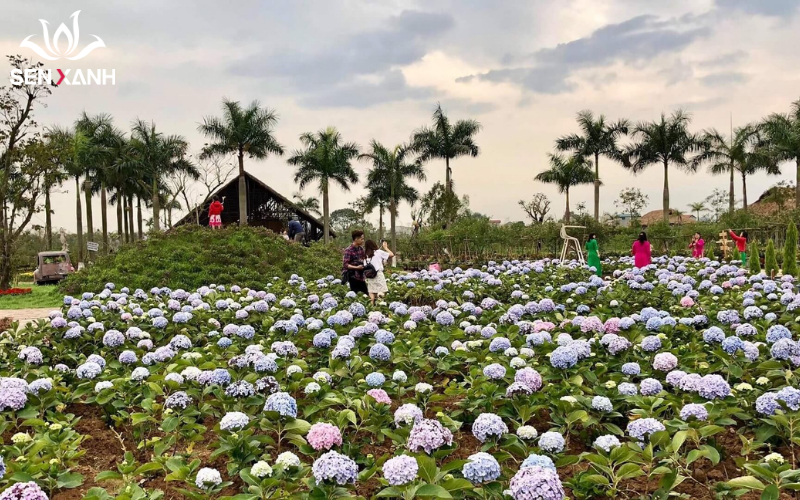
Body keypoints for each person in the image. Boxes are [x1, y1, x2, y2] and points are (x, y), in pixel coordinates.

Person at [364, 239, 393, 305]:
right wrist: (386, 248)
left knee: (371, 293)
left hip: (370, 276)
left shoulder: (365, 255)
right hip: (378, 275)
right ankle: (380, 308)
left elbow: (364, 266)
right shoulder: (378, 252)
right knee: (381, 294)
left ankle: (371, 308)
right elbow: (391, 254)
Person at [343, 230, 368, 294]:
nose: (363, 241)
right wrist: (356, 267)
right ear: (356, 239)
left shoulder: (361, 249)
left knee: (365, 294)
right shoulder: (348, 250)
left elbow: (365, 259)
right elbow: (345, 265)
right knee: (355, 295)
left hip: (361, 276)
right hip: (353, 276)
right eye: (361, 239)